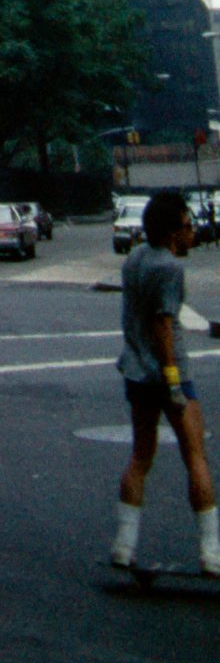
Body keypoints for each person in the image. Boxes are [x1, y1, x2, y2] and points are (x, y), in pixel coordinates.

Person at [112, 189, 219, 574]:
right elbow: (163, 328)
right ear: (173, 234)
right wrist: (174, 382)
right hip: (169, 375)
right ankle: (211, 552)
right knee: (195, 457)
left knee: (141, 455)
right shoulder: (169, 269)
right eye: (188, 227)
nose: (194, 234)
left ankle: (124, 545)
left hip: (136, 372)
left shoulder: (136, 258)